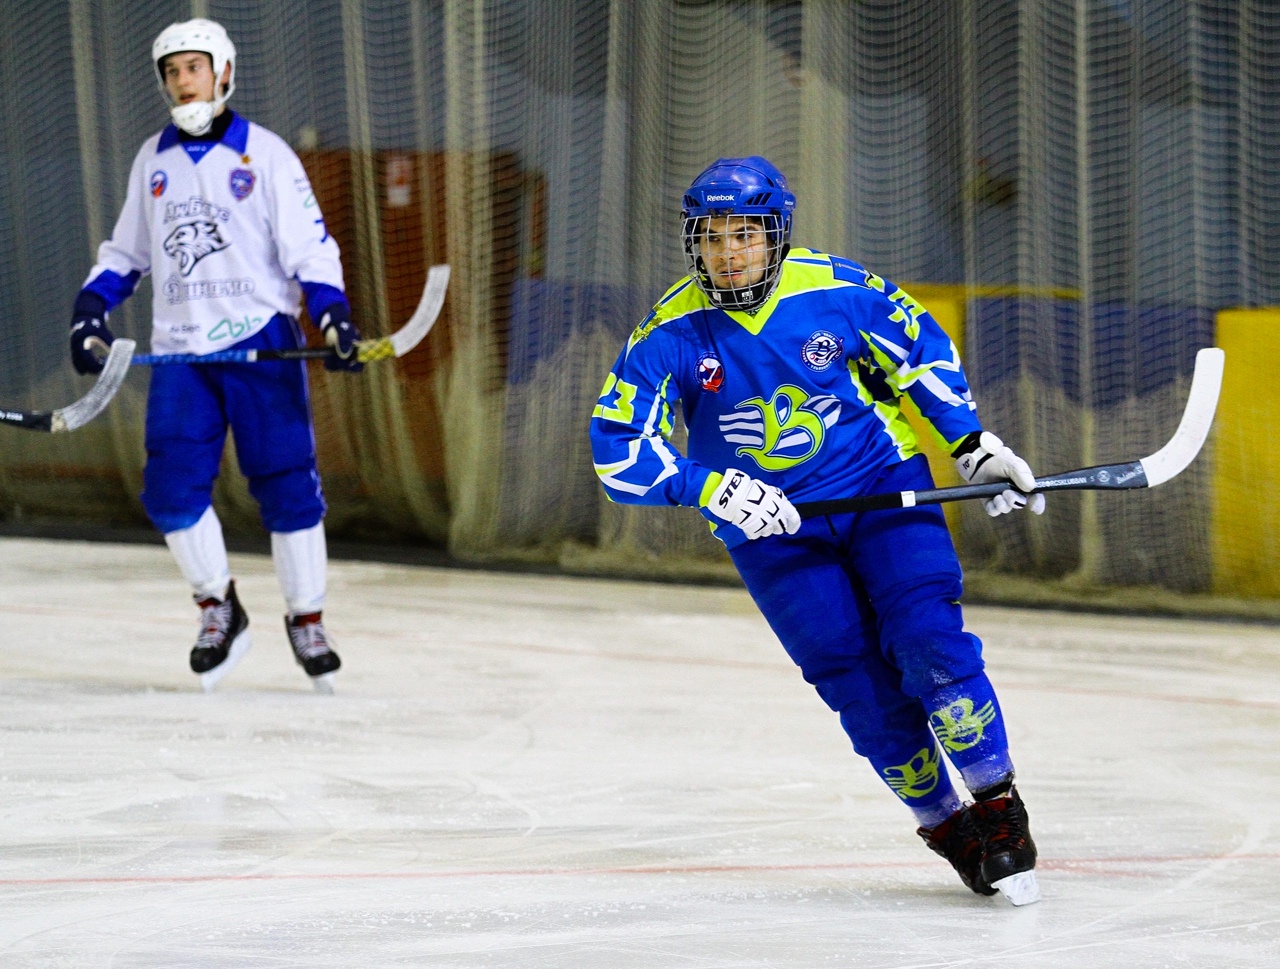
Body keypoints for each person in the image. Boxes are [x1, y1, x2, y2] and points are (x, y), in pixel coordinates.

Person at [589, 156, 1044, 905]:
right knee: (853, 679)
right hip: (768, 531)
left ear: (775, 234)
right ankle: (949, 826)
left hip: (879, 490)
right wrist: (711, 487)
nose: (727, 253)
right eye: (710, 237)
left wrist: (971, 442)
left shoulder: (838, 288)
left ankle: (999, 804)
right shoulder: (667, 333)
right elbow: (617, 451)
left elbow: (919, 352)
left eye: (744, 234)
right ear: (692, 244)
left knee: (926, 638)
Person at [69, 18, 361, 693]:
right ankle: (217, 608)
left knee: (288, 487)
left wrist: (334, 318)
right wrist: (89, 313)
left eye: (193, 68)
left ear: (224, 72)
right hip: (181, 356)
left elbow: (312, 252)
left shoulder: (267, 155)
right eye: (171, 71)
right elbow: (126, 255)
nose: (181, 81)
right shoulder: (154, 160)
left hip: (259, 341)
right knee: (170, 492)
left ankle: (306, 619)